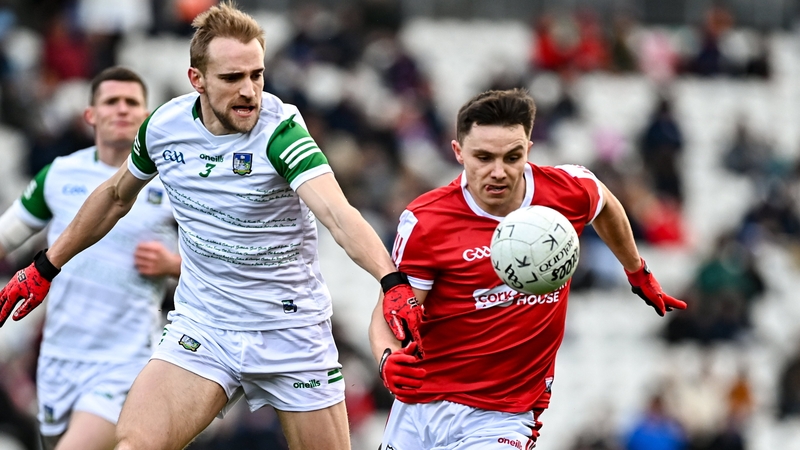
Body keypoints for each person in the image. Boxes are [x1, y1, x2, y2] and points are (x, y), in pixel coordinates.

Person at [0, 3, 419, 450]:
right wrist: (46, 265)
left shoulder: (281, 133)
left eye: (256, 75)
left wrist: (389, 278)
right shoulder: (164, 127)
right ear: (196, 79)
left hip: (289, 333)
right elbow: (115, 196)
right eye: (232, 78)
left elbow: (338, 214)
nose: (249, 91)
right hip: (206, 327)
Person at [370, 88, 686, 449]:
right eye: (484, 157)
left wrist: (636, 270)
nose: (498, 172)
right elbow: (392, 312)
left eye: (512, 157)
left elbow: (605, 202)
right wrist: (387, 358)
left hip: (505, 415)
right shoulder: (428, 223)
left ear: (529, 150)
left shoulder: (563, 192)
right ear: (458, 152)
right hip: (421, 407)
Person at [0, 66, 180, 450]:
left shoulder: (170, 184)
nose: (122, 109)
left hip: (125, 361)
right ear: (90, 115)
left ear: (146, 117)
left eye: (132, 103)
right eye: (111, 101)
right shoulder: (60, 173)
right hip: (57, 360)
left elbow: (220, 262)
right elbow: (6, 236)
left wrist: (172, 265)